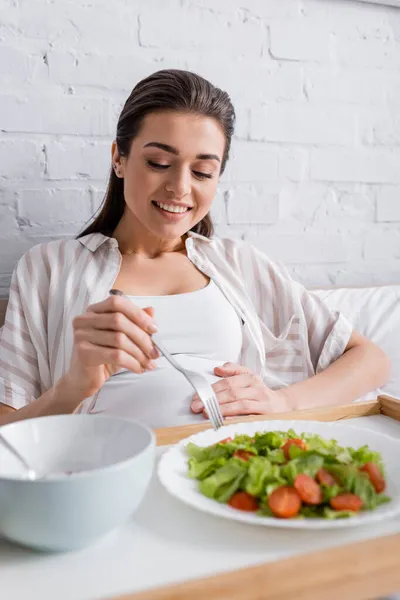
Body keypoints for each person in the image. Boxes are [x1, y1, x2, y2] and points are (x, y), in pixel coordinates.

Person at [0, 69, 390, 428]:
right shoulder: (50, 269)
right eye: (158, 162)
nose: (181, 187)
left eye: (203, 171)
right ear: (119, 157)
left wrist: (283, 402)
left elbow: (370, 359)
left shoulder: (239, 264)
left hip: (233, 470)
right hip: (111, 473)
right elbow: (7, 430)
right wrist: (73, 386)